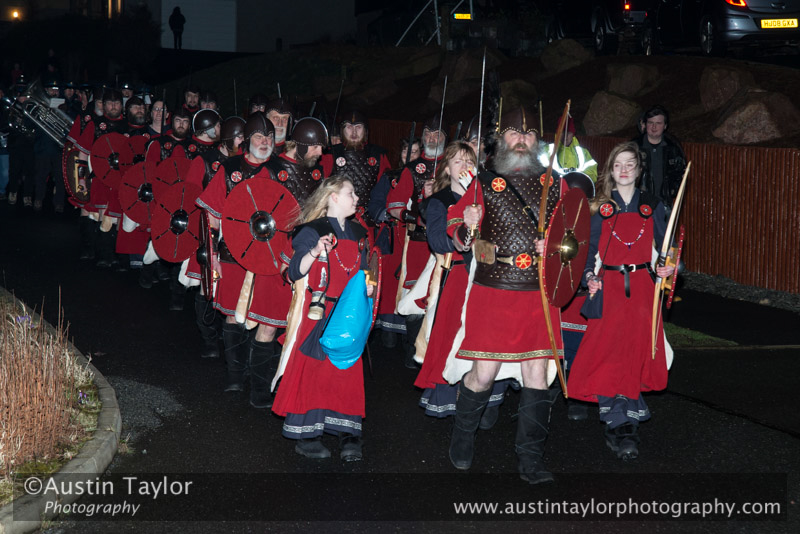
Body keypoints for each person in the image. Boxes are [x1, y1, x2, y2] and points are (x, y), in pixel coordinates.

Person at [444, 105, 564, 484]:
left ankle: (530, 460)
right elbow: (452, 226)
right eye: (515, 133)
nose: (522, 140)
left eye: (529, 134)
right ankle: (463, 436)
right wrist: (467, 224)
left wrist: (557, 246)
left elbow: (571, 236)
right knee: (484, 373)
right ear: (502, 139)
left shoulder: (554, 183)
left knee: (537, 374)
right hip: (494, 289)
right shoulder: (483, 182)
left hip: (537, 292)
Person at [567, 141, 674, 461]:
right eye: (618, 165)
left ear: (639, 170)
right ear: (610, 172)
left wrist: (669, 267)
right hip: (609, 289)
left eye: (630, 164)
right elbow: (585, 255)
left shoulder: (653, 205)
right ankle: (619, 422)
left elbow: (668, 251)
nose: (624, 169)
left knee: (634, 351)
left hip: (642, 288)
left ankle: (623, 417)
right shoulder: (599, 209)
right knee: (606, 352)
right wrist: (590, 278)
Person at [272, 174, 373, 461]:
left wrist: (368, 285)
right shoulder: (310, 231)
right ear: (333, 197)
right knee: (314, 374)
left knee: (347, 373)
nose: (356, 198)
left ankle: (350, 434)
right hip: (320, 312)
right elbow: (294, 272)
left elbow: (364, 270)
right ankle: (308, 435)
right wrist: (315, 252)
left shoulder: (358, 232)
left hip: (350, 313)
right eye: (351, 193)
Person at [413, 140, 511, 426]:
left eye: (469, 161)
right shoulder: (439, 201)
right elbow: (437, 240)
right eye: (457, 161)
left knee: (490, 339)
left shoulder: (490, 195)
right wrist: (464, 227)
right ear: (447, 168)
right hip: (457, 275)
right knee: (454, 339)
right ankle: (454, 402)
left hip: (490, 277)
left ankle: (489, 399)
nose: (464, 166)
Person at [386, 116, 446, 368]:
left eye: (438, 134)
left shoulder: (453, 166)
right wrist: (420, 214)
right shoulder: (413, 169)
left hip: (448, 243)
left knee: (442, 297)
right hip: (420, 242)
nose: (432, 139)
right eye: (429, 134)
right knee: (416, 295)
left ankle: (437, 352)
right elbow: (394, 205)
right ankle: (413, 352)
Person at [367, 136, 420, 348]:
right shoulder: (390, 177)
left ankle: (410, 338)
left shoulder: (429, 177)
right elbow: (375, 203)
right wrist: (387, 215)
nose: (411, 157)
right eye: (408, 152)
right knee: (387, 283)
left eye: (416, 152)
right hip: (391, 236)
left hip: (415, 239)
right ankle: (387, 332)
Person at [632, 105, 686, 210]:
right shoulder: (634, 146)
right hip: (638, 202)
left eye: (658, 123)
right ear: (644, 124)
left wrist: (672, 191)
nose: (654, 127)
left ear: (665, 126)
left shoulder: (673, 148)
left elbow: (681, 172)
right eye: (651, 122)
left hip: (664, 204)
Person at [546, 116, 598, 182]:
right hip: (554, 189)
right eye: (563, 132)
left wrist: (578, 179)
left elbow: (592, 174)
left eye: (569, 133)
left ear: (573, 134)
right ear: (558, 133)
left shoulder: (584, 153)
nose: (565, 136)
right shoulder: (547, 150)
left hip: (577, 188)